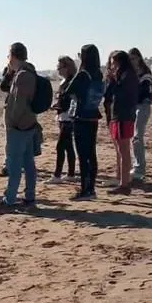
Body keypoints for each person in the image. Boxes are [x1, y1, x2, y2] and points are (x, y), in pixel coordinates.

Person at [0, 42, 39, 213]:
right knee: (28, 163)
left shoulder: (22, 75)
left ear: (12, 55)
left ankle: (9, 199)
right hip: (29, 124)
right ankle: (29, 197)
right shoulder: (28, 72)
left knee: (15, 163)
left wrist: (12, 122)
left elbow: (18, 104)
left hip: (19, 126)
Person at [67, 44, 104, 200]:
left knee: (83, 155)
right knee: (91, 153)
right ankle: (91, 187)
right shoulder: (98, 74)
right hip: (93, 115)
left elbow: (69, 90)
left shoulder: (83, 74)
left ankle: (85, 189)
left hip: (81, 116)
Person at [103, 50, 140, 195]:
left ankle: (124, 184)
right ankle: (123, 182)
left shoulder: (128, 76)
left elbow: (122, 94)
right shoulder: (124, 75)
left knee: (124, 151)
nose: (111, 66)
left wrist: (113, 80)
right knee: (121, 150)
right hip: (119, 115)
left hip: (124, 116)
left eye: (113, 63)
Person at [128, 48, 152, 182]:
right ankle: (137, 165)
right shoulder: (131, 73)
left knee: (137, 137)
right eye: (130, 59)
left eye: (133, 58)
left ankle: (139, 169)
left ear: (138, 58)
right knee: (134, 137)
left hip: (142, 107)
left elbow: (144, 93)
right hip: (133, 107)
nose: (131, 61)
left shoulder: (145, 74)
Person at [49, 56, 77, 184]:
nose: (58, 70)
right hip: (62, 116)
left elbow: (70, 100)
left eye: (60, 67)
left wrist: (60, 105)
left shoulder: (72, 81)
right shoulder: (63, 81)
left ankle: (57, 174)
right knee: (68, 146)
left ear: (67, 68)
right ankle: (71, 173)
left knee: (61, 146)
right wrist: (56, 105)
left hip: (68, 117)